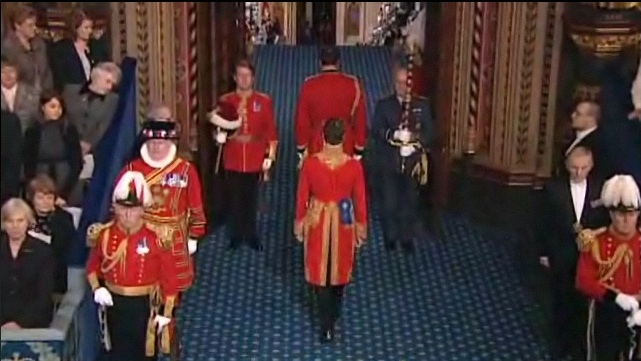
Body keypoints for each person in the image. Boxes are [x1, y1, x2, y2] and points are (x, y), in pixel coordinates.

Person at [117, 119, 206, 358]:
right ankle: (147, 348)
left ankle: (169, 340)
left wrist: (194, 235)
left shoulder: (186, 170)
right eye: (153, 142)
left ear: (171, 142)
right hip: (141, 242)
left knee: (170, 301)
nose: (157, 147)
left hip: (174, 243)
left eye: (161, 142)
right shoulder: (131, 170)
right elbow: (117, 207)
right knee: (143, 300)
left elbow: (196, 206)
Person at [85, 171, 178, 361]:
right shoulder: (104, 234)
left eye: (134, 208)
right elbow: (92, 266)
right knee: (116, 353)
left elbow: (170, 277)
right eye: (122, 207)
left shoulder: (156, 237)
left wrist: (165, 313)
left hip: (144, 305)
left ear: (143, 209)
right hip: (114, 303)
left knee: (143, 354)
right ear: (114, 208)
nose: (128, 214)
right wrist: (98, 288)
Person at [294, 118, 368, 343]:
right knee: (340, 270)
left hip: (317, 217)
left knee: (319, 271)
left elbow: (302, 196)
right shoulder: (354, 166)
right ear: (344, 138)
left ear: (323, 137)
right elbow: (360, 199)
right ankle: (332, 318)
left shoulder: (310, 164)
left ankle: (325, 323)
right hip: (344, 218)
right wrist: (361, 227)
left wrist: (299, 222)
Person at [537, 146, 609, 360]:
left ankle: (579, 347)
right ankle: (559, 347)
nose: (578, 172)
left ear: (591, 166)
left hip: (588, 256)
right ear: (567, 166)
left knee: (583, 304)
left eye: (583, 168)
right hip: (561, 252)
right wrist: (543, 252)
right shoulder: (552, 189)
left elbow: (605, 223)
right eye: (574, 168)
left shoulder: (599, 190)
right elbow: (542, 223)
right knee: (561, 301)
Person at [575, 174, 641, 361]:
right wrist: (616, 297)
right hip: (605, 311)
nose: (627, 220)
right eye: (621, 214)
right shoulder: (595, 241)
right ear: (611, 213)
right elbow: (583, 280)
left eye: (632, 214)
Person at [214, 59, 278, 250]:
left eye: (247, 75)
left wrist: (269, 157)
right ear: (235, 78)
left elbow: (271, 133)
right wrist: (218, 136)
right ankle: (236, 234)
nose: (243, 79)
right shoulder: (226, 101)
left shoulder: (264, 101)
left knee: (251, 198)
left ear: (253, 78)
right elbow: (218, 126)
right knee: (234, 197)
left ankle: (251, 234)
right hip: (232, 156)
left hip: (254, 156)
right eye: (240, 75)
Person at [371, 65, 434, 252]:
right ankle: (390, 237)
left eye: (404, 82)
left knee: (409, 202)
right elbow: (376, 130)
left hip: (412, 164)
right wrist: (393, 135)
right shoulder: (384, 105)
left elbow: (430, 132)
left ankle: (406, 237)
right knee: (390, 202)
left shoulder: (421, 105)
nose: (401, 86)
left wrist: (415, 140)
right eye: (398, 82)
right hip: (390, 162)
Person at [294, 46, 367, 161]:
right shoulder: (353, 84)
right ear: (338, 62)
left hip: (317, 146)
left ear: (320, 63)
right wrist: (359, 148)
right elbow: (360, 120)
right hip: (345, 145)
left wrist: (302, 148)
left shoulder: (309, 85)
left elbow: (302, 121)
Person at [0, 197, 55, 329]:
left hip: (32, 324)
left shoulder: (42, 251)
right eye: (10, 221)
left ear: (28, 222)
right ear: (3, 224)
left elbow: (44, 295)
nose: (15, 226)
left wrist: (20, 323)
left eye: (20, 220)